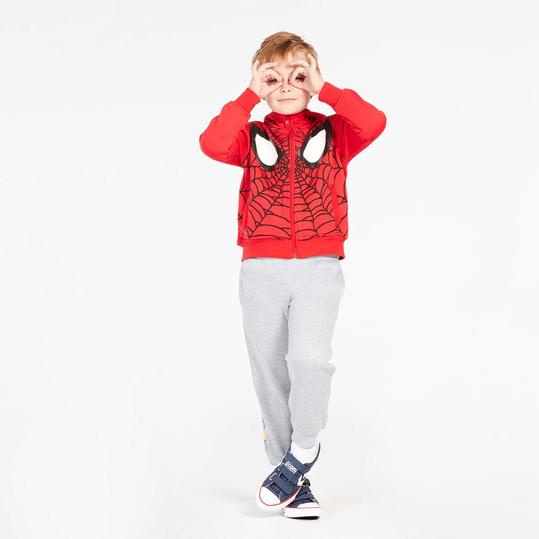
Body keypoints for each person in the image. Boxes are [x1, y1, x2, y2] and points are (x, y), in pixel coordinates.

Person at [199, 31, 386, 518]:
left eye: (297, 75)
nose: (285, 85)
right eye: (273, 76)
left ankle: (303, 448)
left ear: (312, 78)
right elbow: (211, 142)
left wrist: (325, 88)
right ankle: (293, 481)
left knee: (310, 360)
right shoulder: (249, 137)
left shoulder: (336, 132)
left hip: (319, 267)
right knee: (269, 371)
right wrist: (249, 95)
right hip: (260, 268)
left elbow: (374, 121)